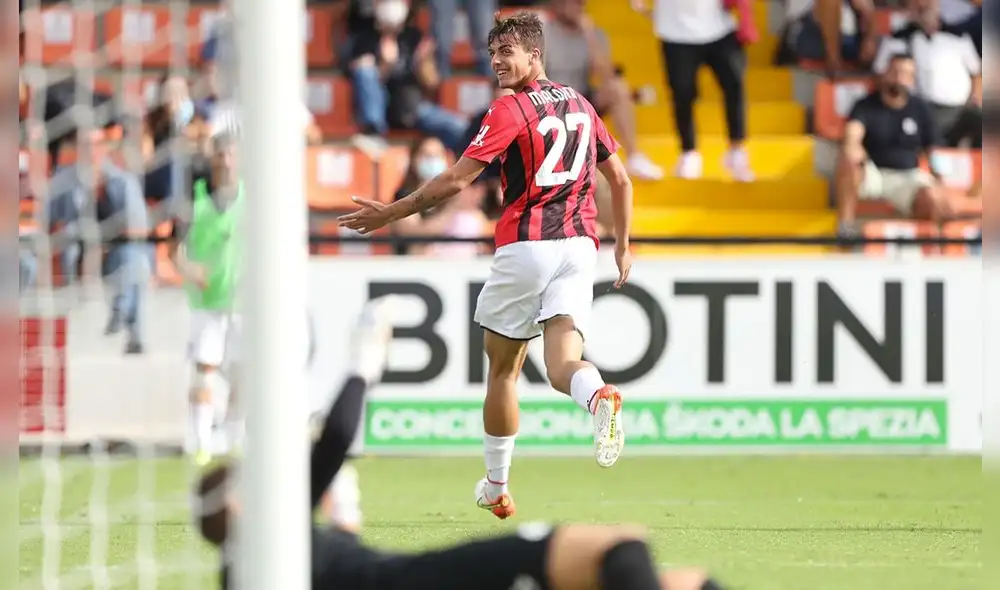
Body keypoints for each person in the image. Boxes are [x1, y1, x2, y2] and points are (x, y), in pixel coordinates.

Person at [195, 300, 728, 590]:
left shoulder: (253, 564)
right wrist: (364, 364)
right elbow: (335, 437)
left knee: (681, 581)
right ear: (237, 508)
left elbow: (336, 565)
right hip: (425, 580)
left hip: (413, 577)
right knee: (617, 547)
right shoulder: (269, 538)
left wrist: (344, 518)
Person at [339, 12, 633, 518]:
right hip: (580, 248)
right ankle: (598, 397)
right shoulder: (582, 104)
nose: (497, 61)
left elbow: (456, 181)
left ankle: (496, 485)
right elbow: (621, 180)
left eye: (507, 52)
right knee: (562, 365)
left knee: (502, 370)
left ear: (535, 55)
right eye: (493, 53)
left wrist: (390, 213)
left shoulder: (509, 109)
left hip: (527, 247)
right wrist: (623, 245)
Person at [169, 131, 244, 466]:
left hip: (243, 304)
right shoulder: (194, 199)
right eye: (220, 154)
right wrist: (190, 270)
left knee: (243, 375)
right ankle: (200, 443)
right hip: (206, 303)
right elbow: (174, 251)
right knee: (205, 371)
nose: (225, 161)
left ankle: (235, 438)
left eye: (231, 154)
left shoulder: (252, 199)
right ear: (212, 158)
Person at [630, 0, 756, 181]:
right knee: (682, 93)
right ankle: (689, 151)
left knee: (734, 85)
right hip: (676, 33)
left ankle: (737, 150)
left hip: (721, 26)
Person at [835, 53, 951, 231]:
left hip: (908, 176)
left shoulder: (921, 108)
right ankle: (845, 229)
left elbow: (933, 150)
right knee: (848, 159)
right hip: (873, 173)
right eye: (895, 72)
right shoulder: (865, 105)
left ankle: (924, 242)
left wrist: (940, 181)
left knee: (933, 199)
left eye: (905, 74)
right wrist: (854, 149)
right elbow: (852, 136)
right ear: (885, 73)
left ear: (912, 80)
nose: (899, 78)